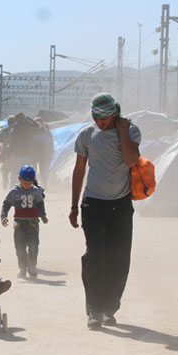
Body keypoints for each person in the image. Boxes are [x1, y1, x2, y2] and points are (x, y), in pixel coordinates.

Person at [69, 93, 141, 330]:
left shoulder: (130, 131)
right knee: (95, 254)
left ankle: (110, 307)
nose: (100, 122)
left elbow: (131, 161)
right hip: (93, 203)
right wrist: (73, 205)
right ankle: (94, 309)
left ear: (114, 114)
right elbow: (79, 170)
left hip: (120, 204)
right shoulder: (87, 135)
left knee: (119, 257)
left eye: (105, 118)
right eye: (96, 117)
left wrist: (121, 131)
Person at [0, 165, 48, 279]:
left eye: (29, 182)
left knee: (33, 245)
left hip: (33, 223)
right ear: (19, 178)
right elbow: (6, 204)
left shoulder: (36, 191)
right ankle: (22, 268)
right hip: (19, 224)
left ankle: (32, 267)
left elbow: (40, 204)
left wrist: (43, 216)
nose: (27, 185)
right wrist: (3, 216)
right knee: (20, 246)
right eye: (25, 182)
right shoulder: (14, 192)